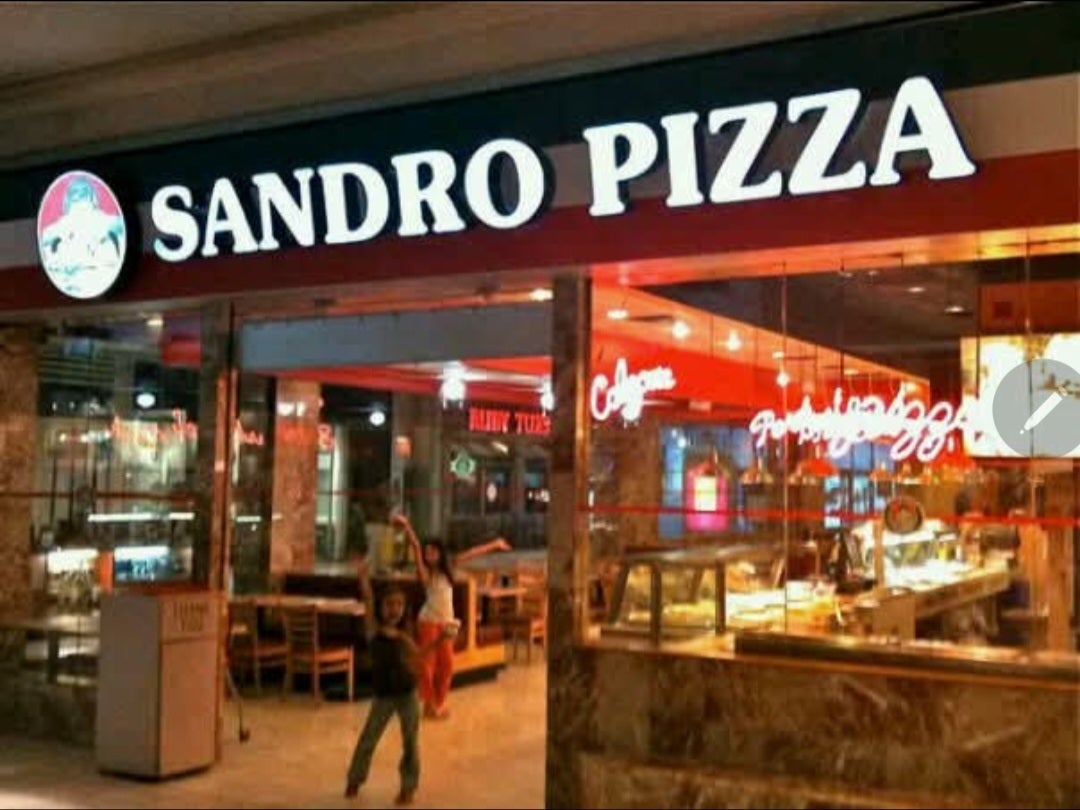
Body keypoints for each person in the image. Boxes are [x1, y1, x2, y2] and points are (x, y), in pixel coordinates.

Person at [344, 563, 454, 805]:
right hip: (383, 696)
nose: (395, 610)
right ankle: (355, 778)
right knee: (368, 738)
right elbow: (369, 598)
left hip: (408, 694)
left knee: (411, 742)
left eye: (399, 605)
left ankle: (408, 787)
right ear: (382, 607)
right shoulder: (373, 631)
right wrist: (363, 577)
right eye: (390, 604)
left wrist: (441, 640)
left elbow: (419, 654)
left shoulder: (404, 636)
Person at [392, 514, 511, 719]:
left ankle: (437, 703)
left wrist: (495, 544)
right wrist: (407, 525)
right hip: (428, 621)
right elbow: (415, 545)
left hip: (447, 623)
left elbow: (473, 553)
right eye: (427, 552)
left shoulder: (450, 568)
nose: (429, 555)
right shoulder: (425, 574)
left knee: (447, 665)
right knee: (428, 665)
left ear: (439, 553)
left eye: (433, 551)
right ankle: (429, 705)